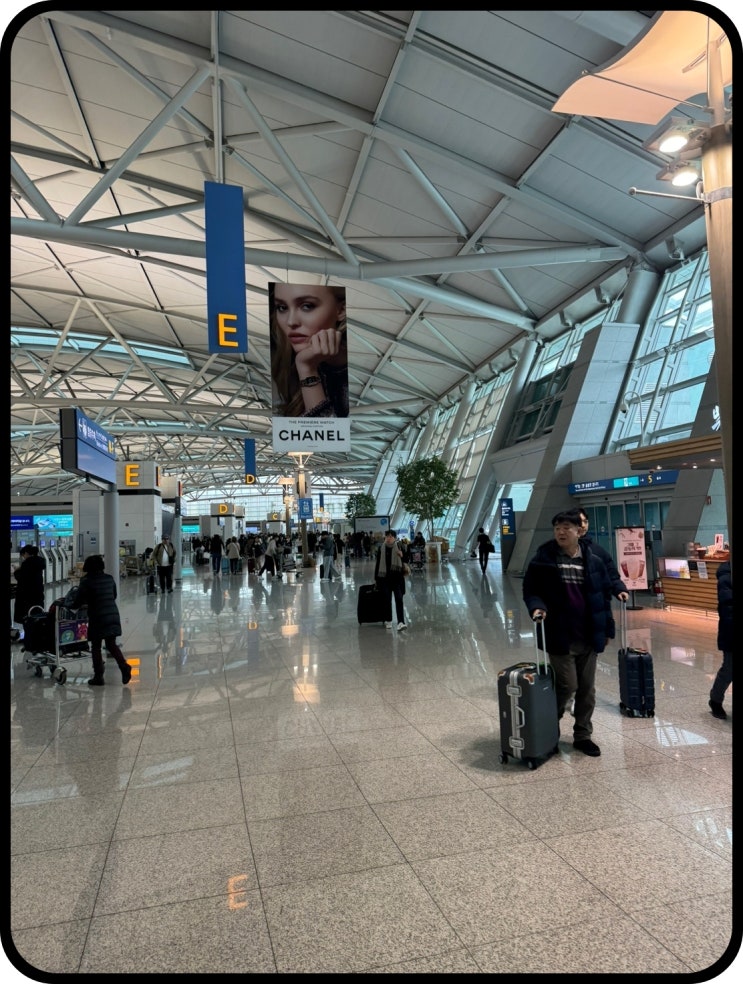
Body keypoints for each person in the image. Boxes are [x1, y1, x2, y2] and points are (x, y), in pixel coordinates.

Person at [522, 510, 628, 757]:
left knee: (587, 690)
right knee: (567, 685)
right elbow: (531, 589)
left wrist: (607, 628)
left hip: (588, 634)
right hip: (560, 634)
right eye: (557, 527)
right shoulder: (544, 559)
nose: (561, 532)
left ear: (579, 531)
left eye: (566, 528)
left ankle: (583, 735)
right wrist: (537, 607)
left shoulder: (594, 559)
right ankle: (549, 728)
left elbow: (602, 597)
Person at [269, 282, 349, 418]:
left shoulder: (361, 369)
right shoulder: (282, 366)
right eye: (282, 308)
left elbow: (324, 431)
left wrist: (307, 369)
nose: (291, 322)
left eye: (307, 306)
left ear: (341, 310)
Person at [73, 554, 132, 686]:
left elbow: (78, 601)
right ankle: (124, 666)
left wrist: (70, 605)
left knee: (96, 646)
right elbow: (114, 595)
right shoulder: (109, 578)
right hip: (112, 614)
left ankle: (98, 676)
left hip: (97, 616)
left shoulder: (86, 581)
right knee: (111, 644)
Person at [709, 560, 732, 719]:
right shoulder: (726, 575)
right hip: (730, 630)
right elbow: (727, 604)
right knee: (729, 669)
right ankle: (715, 700)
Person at [374, 529, 408, 630]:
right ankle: (388, 620)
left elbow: (406, 560)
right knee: (387, 600)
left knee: (399, 599)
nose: (388, 539)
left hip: (397, 579)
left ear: (395, 538)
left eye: (390, 537)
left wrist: (402, 556)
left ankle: (401, 622)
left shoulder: (399, 547)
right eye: (387, 536)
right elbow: (378, 564)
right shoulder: (382, 548)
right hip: (385, 579)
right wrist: (376, 578)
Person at [13, 544, 47, 631]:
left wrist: (16, 571)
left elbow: (21, 578)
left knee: (27, 617)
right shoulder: (40, 562)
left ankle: (29, 634)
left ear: (26, 553)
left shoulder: (27, 563)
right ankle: (36, 633)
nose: (23, 557)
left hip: (27, 596)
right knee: (37, 614)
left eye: (23, 555)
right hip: (38, 593)